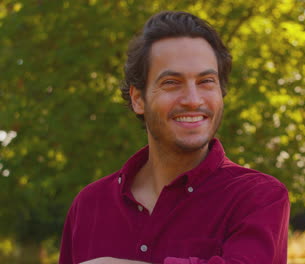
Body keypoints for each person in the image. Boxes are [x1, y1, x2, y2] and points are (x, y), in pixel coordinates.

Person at [59, 11, 290, 264]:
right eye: (171, 82)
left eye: (206, 81)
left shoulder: (258, 198)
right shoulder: (89, 205)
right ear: (138, 99)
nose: (193, 99)